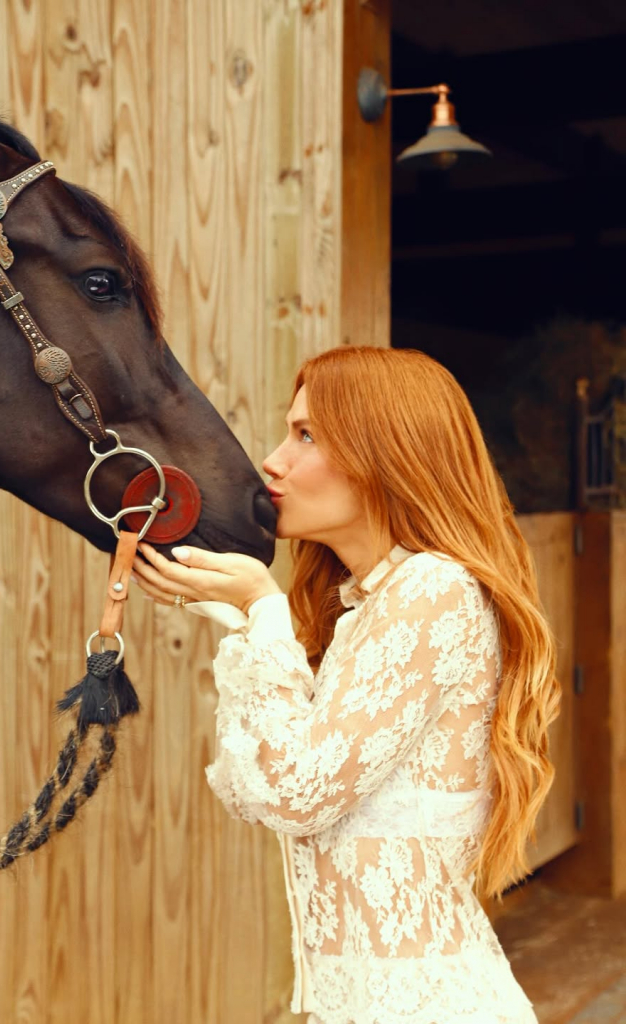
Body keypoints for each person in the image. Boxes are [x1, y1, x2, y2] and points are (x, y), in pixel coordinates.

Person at [131, 345, 559, 1024]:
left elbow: (296, 795)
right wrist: (245, 621)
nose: (274, 459)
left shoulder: (434, 591)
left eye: (305, 436)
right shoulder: (367, 607)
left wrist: (262, 613)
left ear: (384, 454)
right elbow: (260, 790)